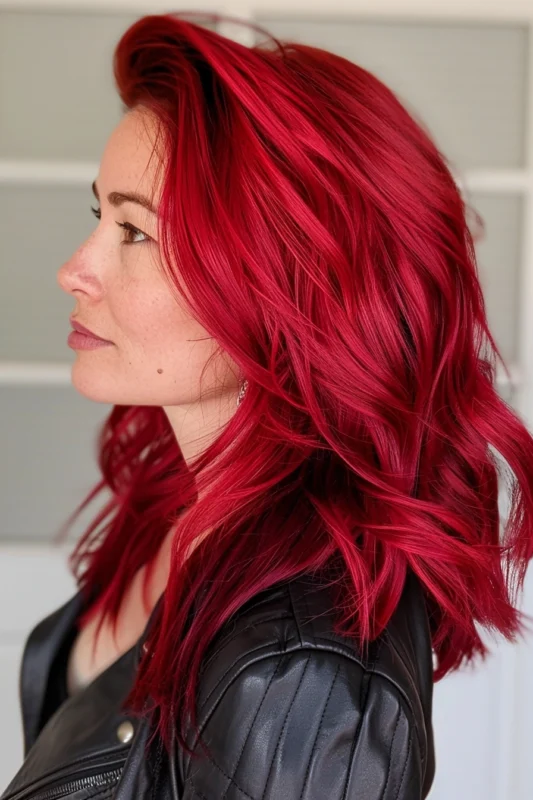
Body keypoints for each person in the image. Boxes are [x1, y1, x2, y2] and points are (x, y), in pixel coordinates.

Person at [3, 10, 533, 800]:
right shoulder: (189, 504)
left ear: (283, 283)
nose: (75, 270)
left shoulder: (303, 683)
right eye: (98, 217)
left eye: (135, 232)